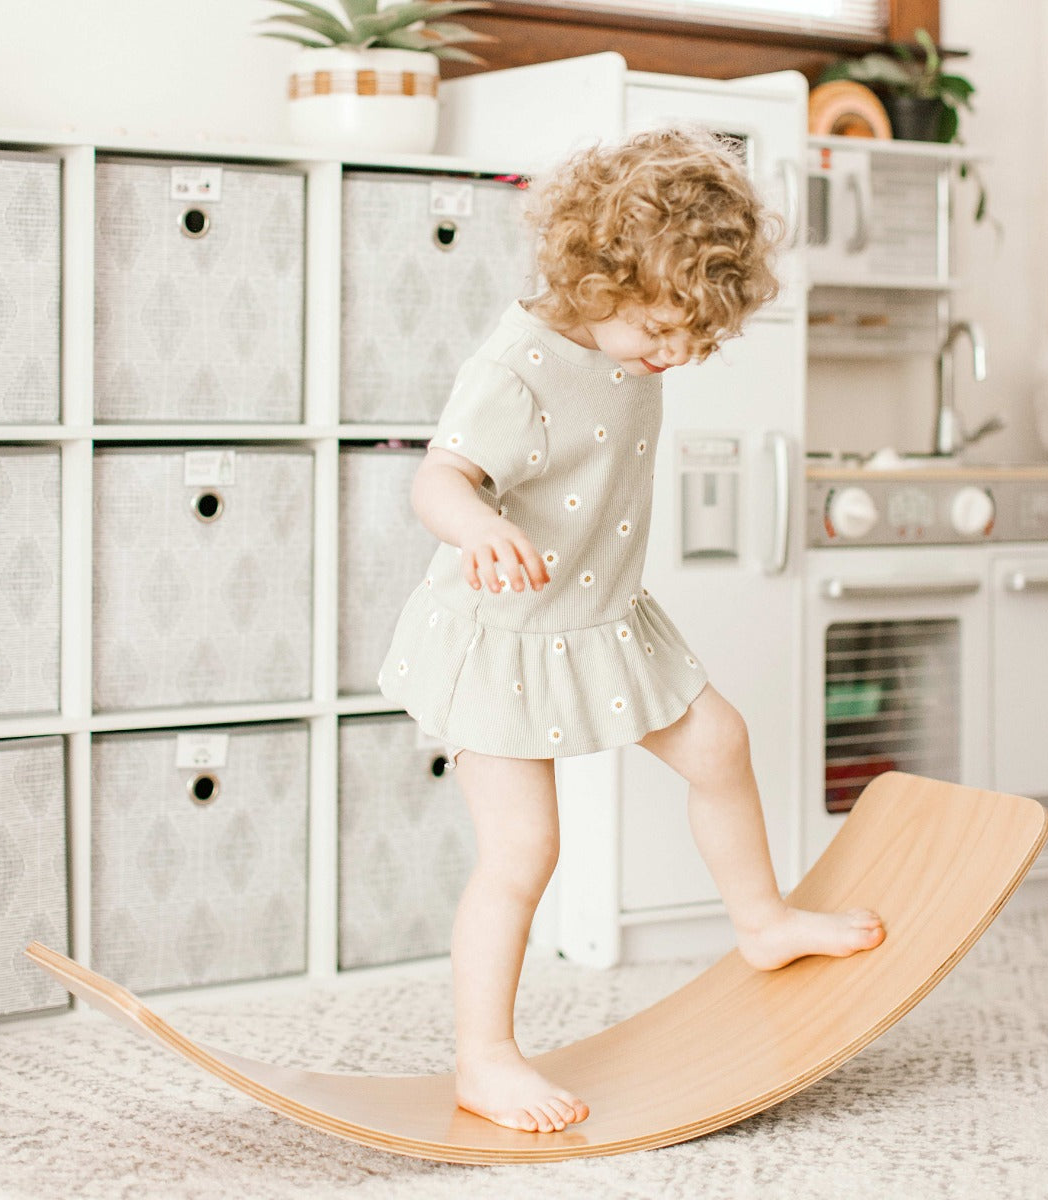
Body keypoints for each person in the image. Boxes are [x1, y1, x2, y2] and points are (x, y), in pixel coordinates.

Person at [378, 127, 886, 1135]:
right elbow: (434, 477)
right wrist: (477, 527)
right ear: (593, 275)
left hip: (598, 616)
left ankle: (760, 919)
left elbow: (642, 366)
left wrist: (660, 337)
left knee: (718, 743)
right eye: (661, 328)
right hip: (501, 633)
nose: (674, 355)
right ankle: (483, 1058)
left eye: (696, 340)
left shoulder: (634, 341)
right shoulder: (514, 369)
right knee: (523, 851)